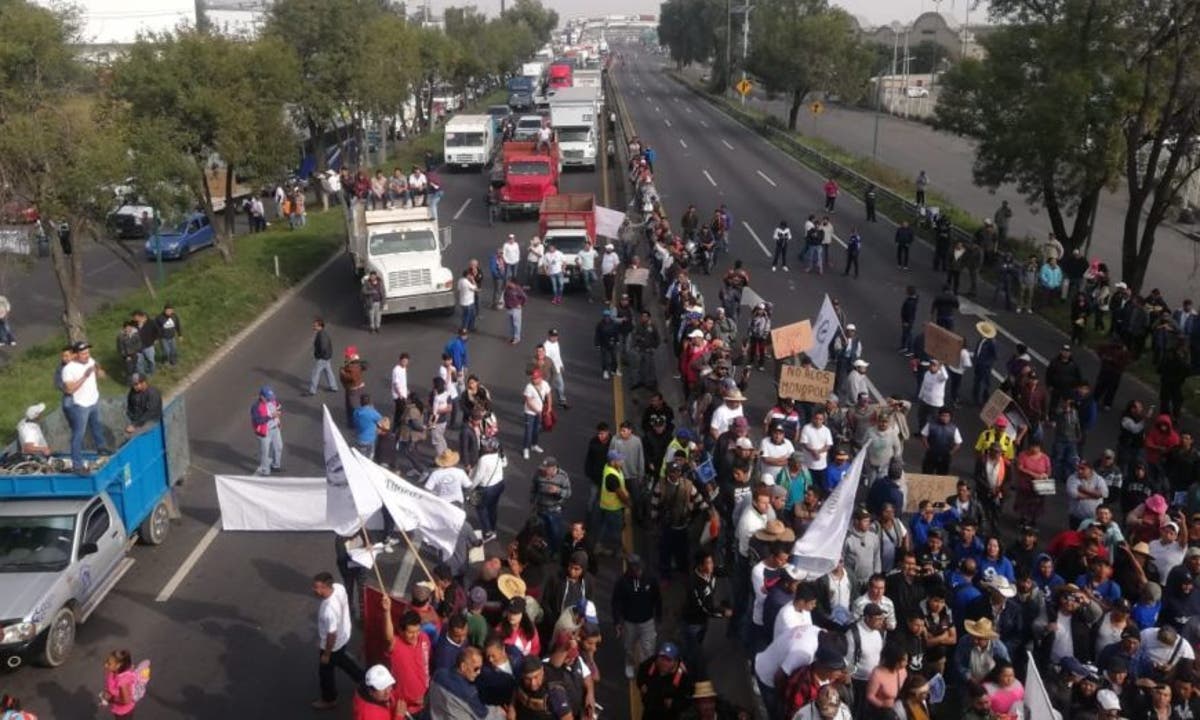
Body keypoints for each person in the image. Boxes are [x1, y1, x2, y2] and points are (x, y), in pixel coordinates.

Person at [311, 571, 365, 710]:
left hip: (332, 645)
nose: (314, 590)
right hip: (344, 634)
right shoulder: (339, 588)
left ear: (325, 587)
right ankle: (362, 678)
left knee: (325, 672)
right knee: (342, 660)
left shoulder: (329, 610)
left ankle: (329, 699)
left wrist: (326, 654)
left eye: (317, 587)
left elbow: (331, 634)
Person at [62, 341, 109, 474]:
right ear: (76, 354)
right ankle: (77, 465)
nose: (86, 355)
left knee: (97, 426)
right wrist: (85, 376)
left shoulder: (90, 360)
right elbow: (69, 390)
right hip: (81, 405)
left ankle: (102, 449)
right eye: (83, 353)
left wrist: (99, 371)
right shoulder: (68, 369)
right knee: (78, 434)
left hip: (93, 400)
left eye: (88, 352)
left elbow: (97, 367)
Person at [379, 604, 431, 718]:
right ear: (400, 631)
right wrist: (387, 612)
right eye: (410, 632)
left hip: (426, 702)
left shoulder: (424, 638)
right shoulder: (396, 645)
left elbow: (426, 667)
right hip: (406, 710)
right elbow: (388, 637)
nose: (415, 636)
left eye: (417, 631)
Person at [637, 642, 694, 720]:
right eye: (662, 658)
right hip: (650, 708)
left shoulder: (683, 677)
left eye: (668, 660)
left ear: (675, 662)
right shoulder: (651, 663)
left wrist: (674, 704)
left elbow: (688, 699)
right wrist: (641, 684)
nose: (664, 663)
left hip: (668, 714)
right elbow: (641, 671)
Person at [251, 386, 283, 476]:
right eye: (268, 398)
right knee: (265, 452)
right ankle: (265, 470)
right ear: (262, 397)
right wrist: (271, 416)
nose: (270, 400)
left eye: (271, 398)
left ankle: (276, 465)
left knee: (279, 447)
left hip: (275, 429)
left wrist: (278, 414)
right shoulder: (256, 407)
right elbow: (258, 421)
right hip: (265, 432)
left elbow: (278, 407)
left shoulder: (273, 401)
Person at [99, 650, 139, 718]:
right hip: (117, 708)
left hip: (124, 713)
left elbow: (126, 700)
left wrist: (110, 699)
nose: (105, 665)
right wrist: (106, 697)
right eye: (106, 661)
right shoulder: (113, 672)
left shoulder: (122, 682)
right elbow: (111, 687)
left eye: (109, 663)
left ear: (118, 665)